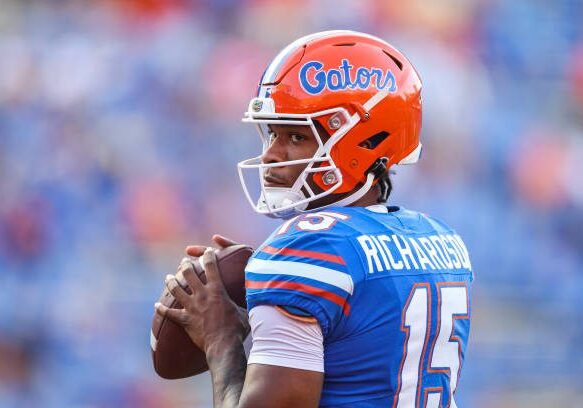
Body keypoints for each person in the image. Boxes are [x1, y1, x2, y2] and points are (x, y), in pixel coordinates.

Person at [155, 30, 473, 408]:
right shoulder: (441, 240)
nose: (272, 155)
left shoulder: (307, 247)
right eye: (273, 133)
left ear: (366, 143)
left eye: (296, 136)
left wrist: (221, 340)